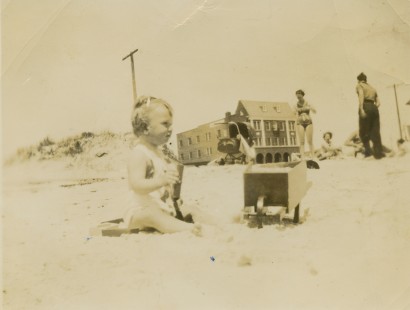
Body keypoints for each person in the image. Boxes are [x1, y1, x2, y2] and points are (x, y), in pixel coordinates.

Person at [122, 96, 201, 235]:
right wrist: (161, 180)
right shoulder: (139, 154)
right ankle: (188, 229)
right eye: (165, 124)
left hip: (160, 206)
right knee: (153, 215)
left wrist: (172, 189)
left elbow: (162, 186)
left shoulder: (159, 153)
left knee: (189, 209)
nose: (171, 128)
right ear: (145, 127)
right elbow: (136, 185)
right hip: (139, 211)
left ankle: (222, 222)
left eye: (171, 124)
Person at [356, 73, 385, 159]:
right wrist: (373, 108)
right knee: (375, 131)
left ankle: (368, 153)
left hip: (366, 106)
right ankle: (378, 153)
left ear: (358, 80)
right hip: (374, 108)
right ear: (366, 79)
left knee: (363, 131)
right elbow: (378, 103)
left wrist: (361, 108)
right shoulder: (372, 88)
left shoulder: (359, 85)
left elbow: (361, 96)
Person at [294, 89, 316, 159]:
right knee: (302, 141)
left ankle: (313, 156)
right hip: (300, 122)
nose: (299, 98)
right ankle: (303, 157)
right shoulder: (295, 104)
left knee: (310, 140)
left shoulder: (308, 102)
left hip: (308, 121)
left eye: (300, 97)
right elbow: (294, 113)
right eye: (297, 97)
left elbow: (315, 111)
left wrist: (310, 107)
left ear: (302, 96)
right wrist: (295, 111)